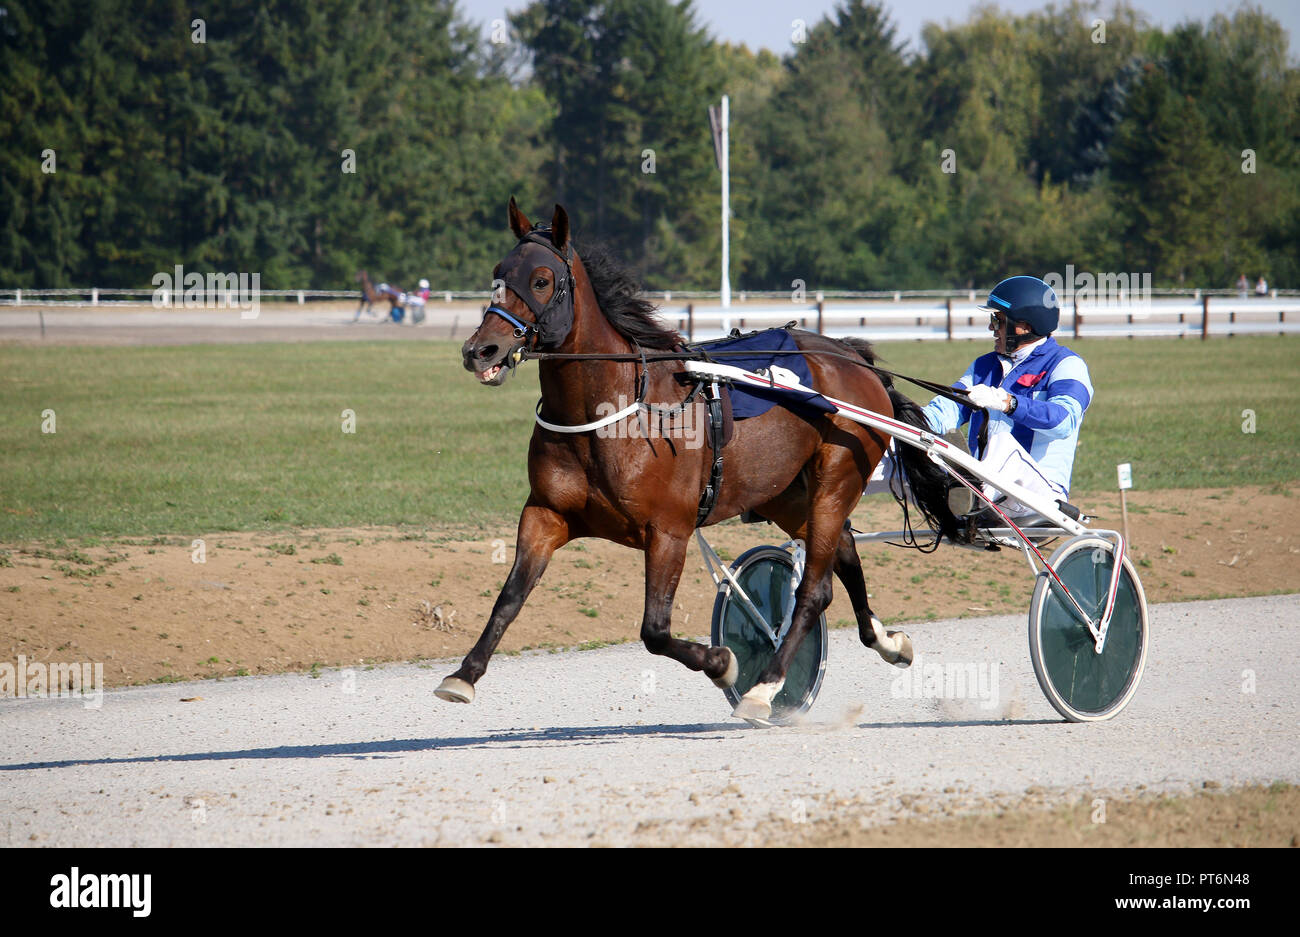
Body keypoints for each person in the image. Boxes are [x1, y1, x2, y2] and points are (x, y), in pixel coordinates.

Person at [865, 275, 1094, 526]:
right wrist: (898, 427)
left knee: (1001, 443)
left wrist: (1008, 402)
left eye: (998, 320)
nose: (991, 328)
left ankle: (970, 495)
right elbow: (947, 409)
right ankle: (821, 494)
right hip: (982, 483)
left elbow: (1064, 421)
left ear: (1025, 326)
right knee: (897, 454)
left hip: (1038, 495)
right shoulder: (984, 366)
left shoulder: (1066, 364)